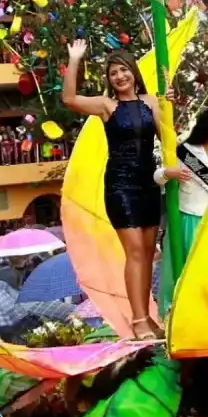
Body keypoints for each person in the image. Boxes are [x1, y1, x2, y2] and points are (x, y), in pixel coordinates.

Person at [62, 39, 163, 340]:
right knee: (133, 253)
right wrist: (75, 59)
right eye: (113, 73)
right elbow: (69, 98)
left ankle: (147, 317)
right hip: (120, 185)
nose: (119, 76)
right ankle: (139, 321)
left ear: (133, 72)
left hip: (149, 182)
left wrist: (170, 105)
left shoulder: (152, 102)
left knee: (146, 254)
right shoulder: (107, 106)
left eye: (123, 70)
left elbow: (168, 136)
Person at [155, 104, 208, 317]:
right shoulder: (184, 152)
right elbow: (157, 176)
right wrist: (168, 173)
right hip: (190, 220)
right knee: (192, 274)